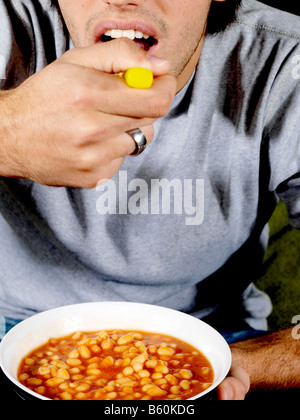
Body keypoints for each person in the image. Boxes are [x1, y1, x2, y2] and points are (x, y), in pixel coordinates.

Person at [0, 0, 299, 399]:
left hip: (220, 335)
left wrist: (213, 367)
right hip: (11, 325)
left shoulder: (285, 62)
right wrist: (10, 132)